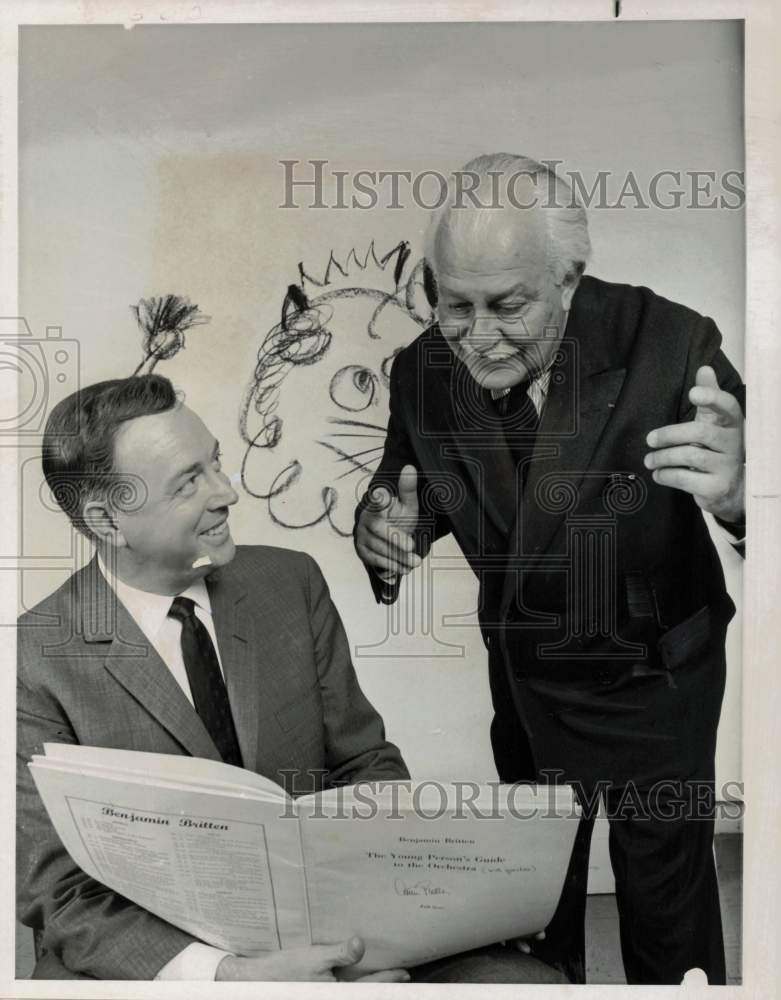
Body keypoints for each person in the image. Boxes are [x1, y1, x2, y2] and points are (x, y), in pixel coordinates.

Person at [17, 374, 565, 985]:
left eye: (215, 461)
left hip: (337, 927)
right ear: (107, 519)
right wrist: (229, 978)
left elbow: (366, 767)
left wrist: (413, 911)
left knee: (528, 985)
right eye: (188, 483)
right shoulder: (33, 658)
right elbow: (58, 893)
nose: (226, 492)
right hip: (170, 964)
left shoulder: (290, 583)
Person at [354, 152, 745, 985]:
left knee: (664, 906)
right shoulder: (421, 373)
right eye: (453, 304)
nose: (478, 335)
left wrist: (746, 497)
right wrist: (384, 534)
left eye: (508, 305)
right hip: (527, 681)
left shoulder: (672, 344)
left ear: (568, 279)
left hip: (655, 681)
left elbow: (756, 491)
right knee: (532, 906)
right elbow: (405, 491)